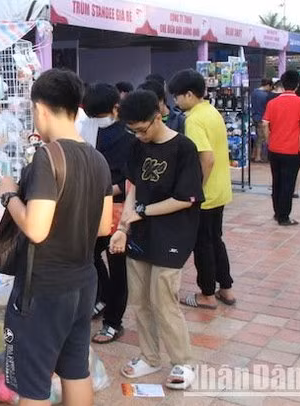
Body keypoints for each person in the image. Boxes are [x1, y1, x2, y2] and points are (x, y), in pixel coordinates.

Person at [0, 70, 113, 406]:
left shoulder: (49, 157)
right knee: (76, 370)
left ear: (40, 109)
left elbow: (35, 228)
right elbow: (104, 226)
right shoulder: (97, 158)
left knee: (33, 385)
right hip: (83, 281)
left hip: (43, 288)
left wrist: (9, 196)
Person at [111, 90, 203, 391]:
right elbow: (133, 186)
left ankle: (183, 361)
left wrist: (143, 212)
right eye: (132, 131)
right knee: (140, 300)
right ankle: (149, 356)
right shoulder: (138, 147)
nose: (138, 136)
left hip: (173, 234)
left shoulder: (184, 148)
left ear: (157, 116)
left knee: (164, 301)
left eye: (141, 129)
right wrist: (124, 226)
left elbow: (185, 199)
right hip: (140, 233)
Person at [168, 69, 235, 309]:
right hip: (220, 191)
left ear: (189, 94)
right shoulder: (211, 111)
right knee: (215, 240)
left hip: (206, 195)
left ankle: (207, 294)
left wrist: (197, 189)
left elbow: (206, 158)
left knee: (203, 245)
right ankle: (225, 288)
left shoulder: (193, 119)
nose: (175, 101)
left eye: (177, 96)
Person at [83, 83, 134, 344]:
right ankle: (104, 300)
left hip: (114, 207)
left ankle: (113, 321)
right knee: (93, 255)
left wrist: (102, 190)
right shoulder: (88, 130)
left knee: (112, 261)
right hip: (98, 205)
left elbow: (128, 179)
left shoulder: (126, 134)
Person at [262, 70, 300, 226]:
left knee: (277, 181)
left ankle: (277, 212)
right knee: (288, 183)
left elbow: (265, 124)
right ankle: (284, 216)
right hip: (292, 150)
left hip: (274, 148)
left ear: (282, 84)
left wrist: (269, 140)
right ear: (297, 85)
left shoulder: (272, 102)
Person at [251, 79, 274, 163]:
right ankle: (258, 157)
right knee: (261, 138)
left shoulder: (254, 92)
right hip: (262, 117)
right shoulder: (265, 95)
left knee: (258, 136)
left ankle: (253, 154)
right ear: (268, 85)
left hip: (255, 116)